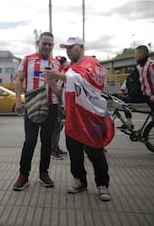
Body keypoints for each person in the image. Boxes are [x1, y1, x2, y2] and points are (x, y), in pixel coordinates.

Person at [45, 36, 113, 201]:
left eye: (71, 47)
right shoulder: (68, 69)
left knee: (95, 153)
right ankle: (80, 181)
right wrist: (51, 83)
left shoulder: (91, 63)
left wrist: (58, 75)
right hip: (72, 119)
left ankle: (102, 185)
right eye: (66, 48)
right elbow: (62, 93)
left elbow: (85, 81)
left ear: (81, 47)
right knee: (75, 154)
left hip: (91, 119)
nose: (68, 51)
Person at [12, 32, 61, 191]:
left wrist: (61, 106)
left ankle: (43, 173)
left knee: (47, 142)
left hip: (51, 105)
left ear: (53, 46)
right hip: (33, 105)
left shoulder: (56, 64)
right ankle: (23, 175)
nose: (47, 46)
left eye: (50, 44)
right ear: (38, 43)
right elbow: (19, 80)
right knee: (30, 141)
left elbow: (60, 88)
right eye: (44, 43)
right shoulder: (28, 59)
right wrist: (19, 101)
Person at [134, 45, 154, 161]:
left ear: (142, 53)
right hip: (148, 97)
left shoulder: (152, 64)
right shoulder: (140, 66)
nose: (135, 56)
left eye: (136, 53)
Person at [51, 56, 68, 160]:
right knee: (55, 129)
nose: (66, 64)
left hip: (61, 106)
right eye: (65, 63)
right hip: (57, 105)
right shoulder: (59, 75)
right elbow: (58, 91)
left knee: (58, 129)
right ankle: (52, 150)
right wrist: (60, 106)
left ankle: (56, 147)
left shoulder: (61, 74)